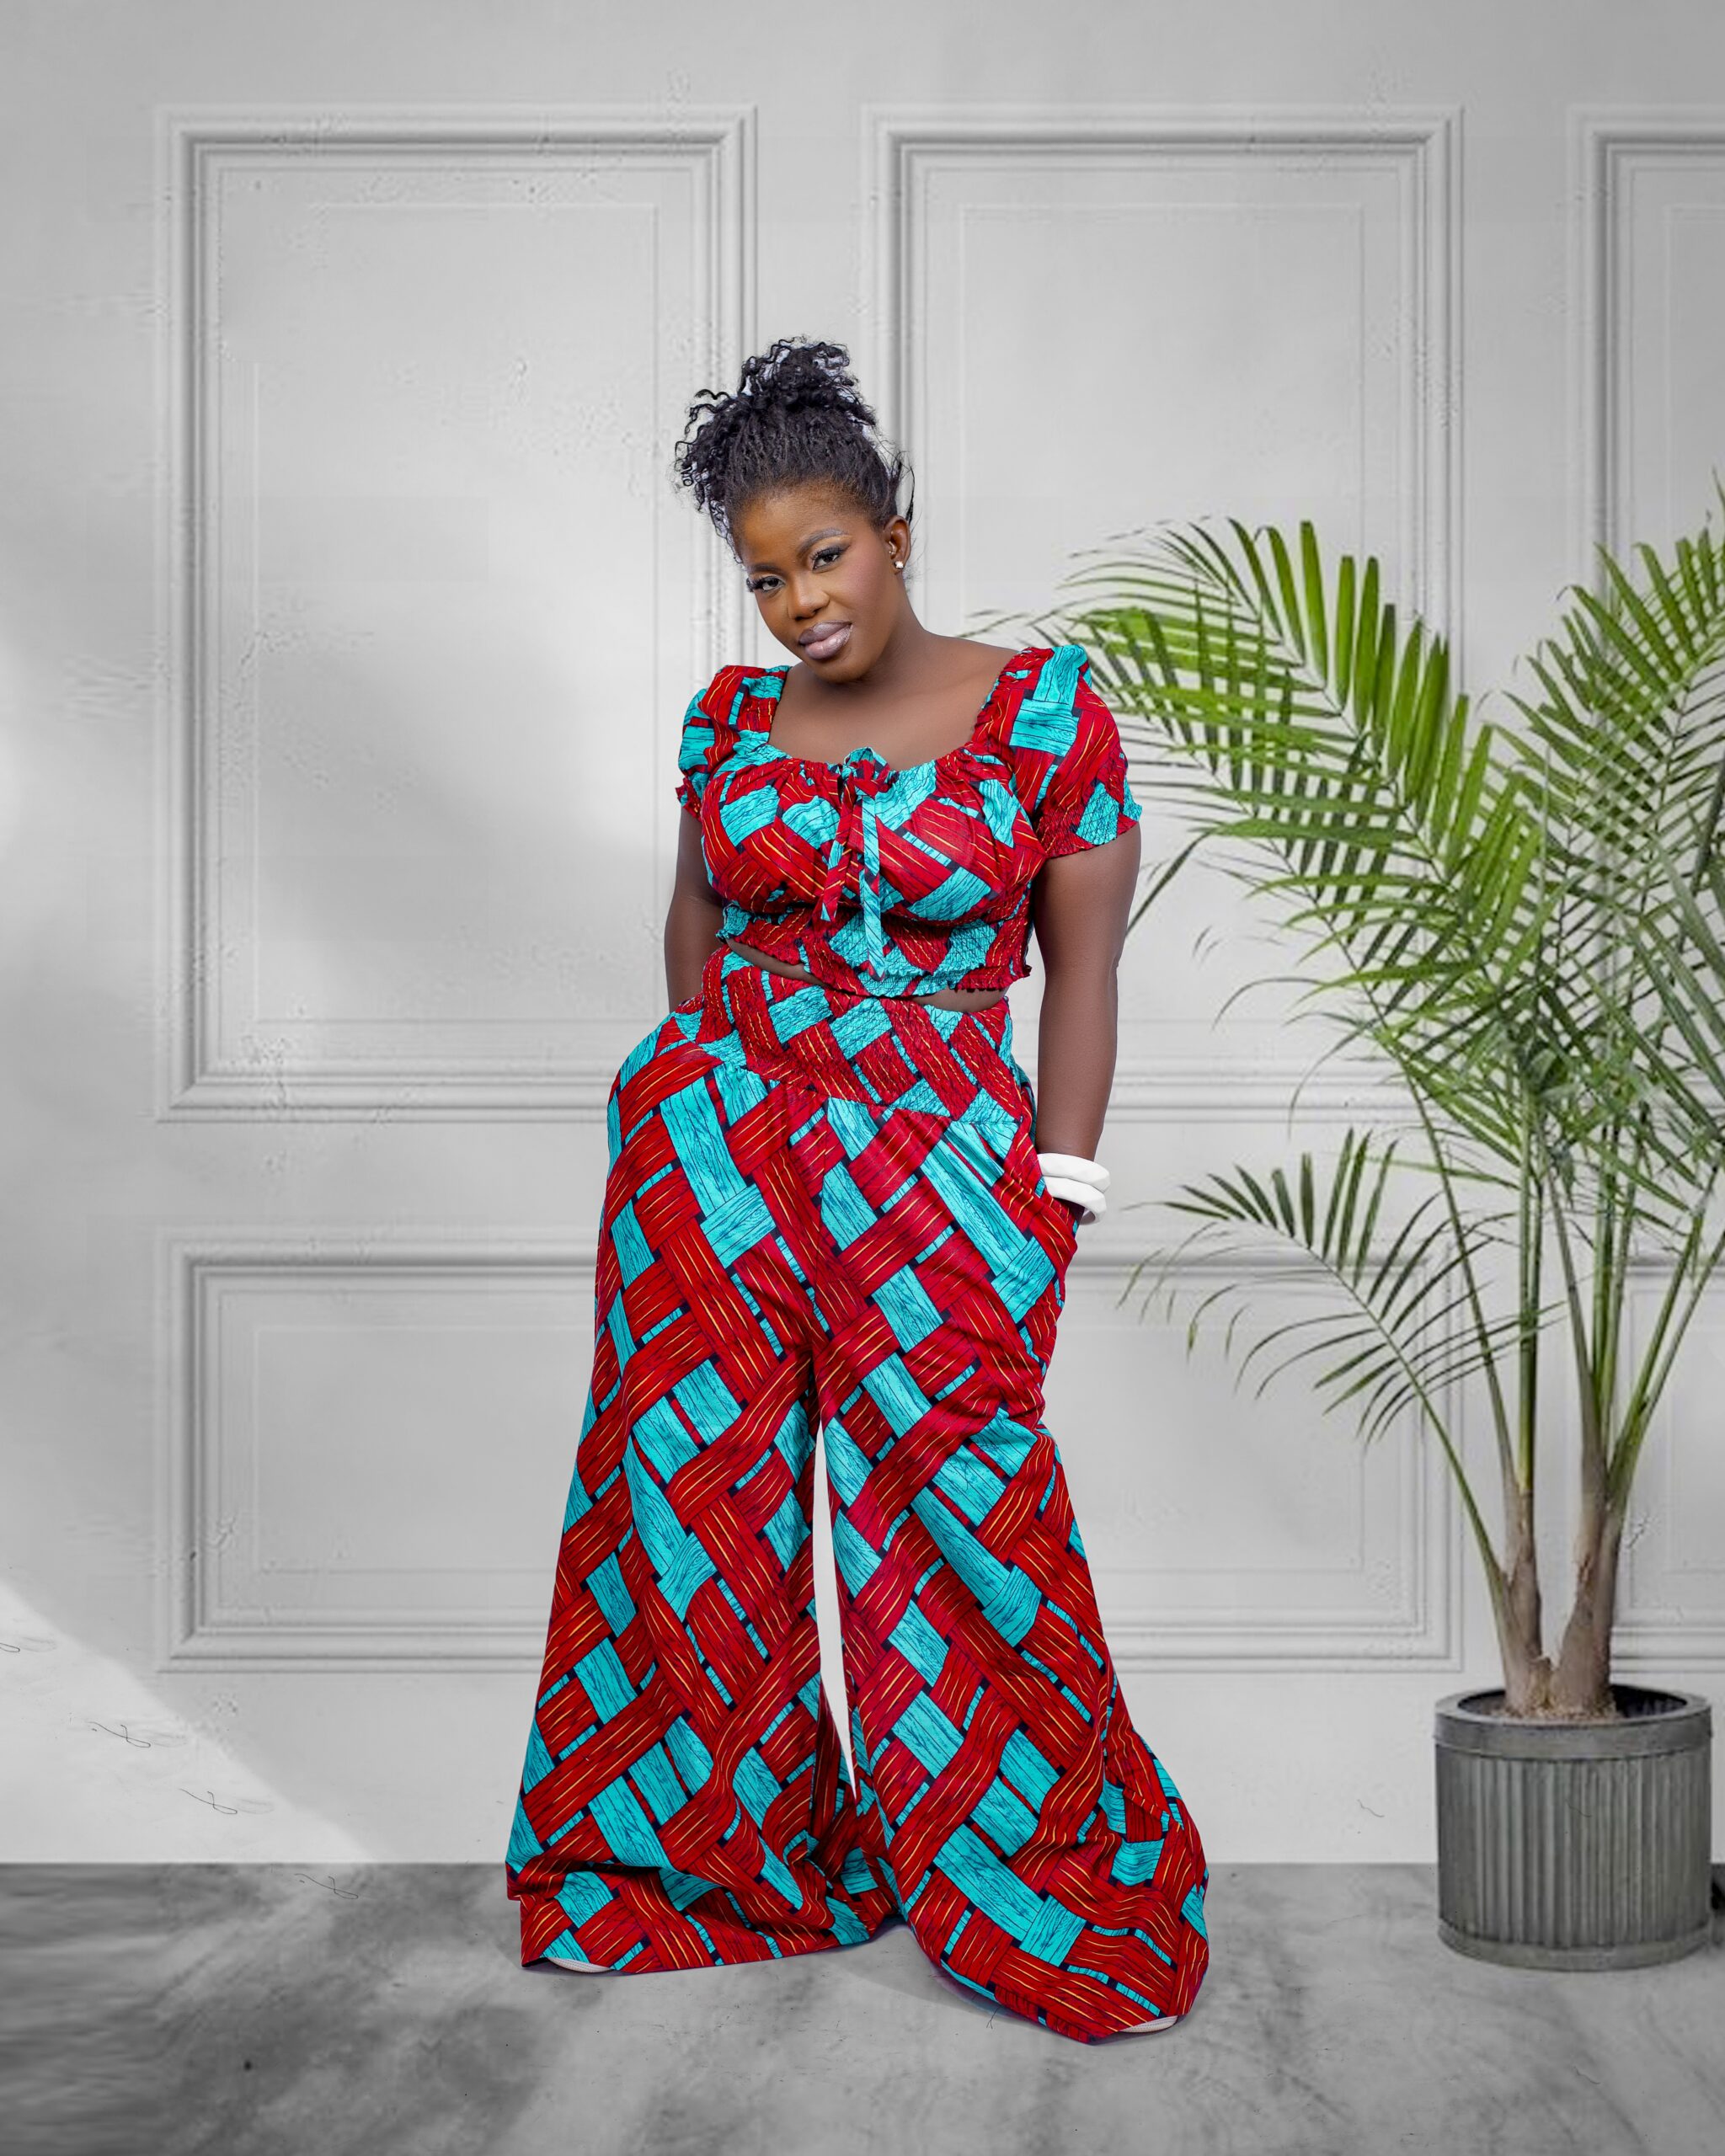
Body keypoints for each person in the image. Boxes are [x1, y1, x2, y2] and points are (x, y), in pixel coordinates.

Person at [503, 337, 1210, 2044]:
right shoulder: (729, 721)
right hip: (712, 1167)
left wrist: (1056, 1192)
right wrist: (703, 1109)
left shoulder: (1042, 711)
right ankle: (707, 1870)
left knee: (967, 1517)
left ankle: (1057, 1875)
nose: (799, 604)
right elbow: (695, 924)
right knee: (692, 1521)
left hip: (938, 1173)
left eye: (823, 556)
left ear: (895, 529)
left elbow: (1084, 971)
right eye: (765, 578)